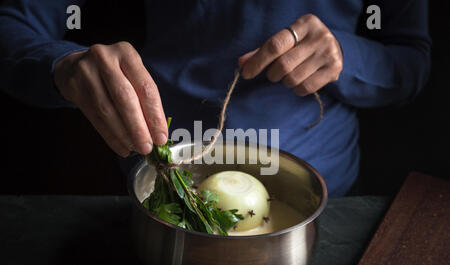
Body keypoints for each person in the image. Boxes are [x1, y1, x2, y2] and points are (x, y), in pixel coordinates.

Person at [0, 0, 431, 197]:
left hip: (326, 199)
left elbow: (411, 64)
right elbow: (13, 27)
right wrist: (64, 65)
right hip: (163, 184)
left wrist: (344, 55)